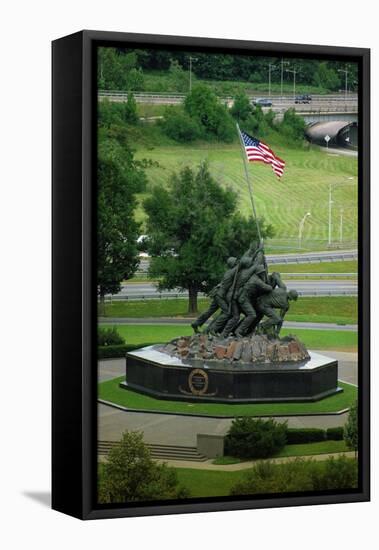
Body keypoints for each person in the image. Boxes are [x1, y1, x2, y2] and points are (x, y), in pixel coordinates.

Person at [191, 257, 237, 333]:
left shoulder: (229, 272)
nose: (237, 264)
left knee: (210, 310)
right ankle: (213, 329)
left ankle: (196, 323)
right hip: (220, 295)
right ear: (233, 264)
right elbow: (241, 265)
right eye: (235, 263)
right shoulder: (231, 272)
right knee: (227, 313)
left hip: (217, 293)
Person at [234, 265, 273, 337]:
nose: (263, 274)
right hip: (244, 299)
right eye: (262, 273)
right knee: (252, 315)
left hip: (246, 299)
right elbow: (268, 288)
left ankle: (243, 330)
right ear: (259, 273)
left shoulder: (254, 278)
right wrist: (269, 282)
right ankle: (238, 331)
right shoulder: (256, 280)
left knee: (253, 314)